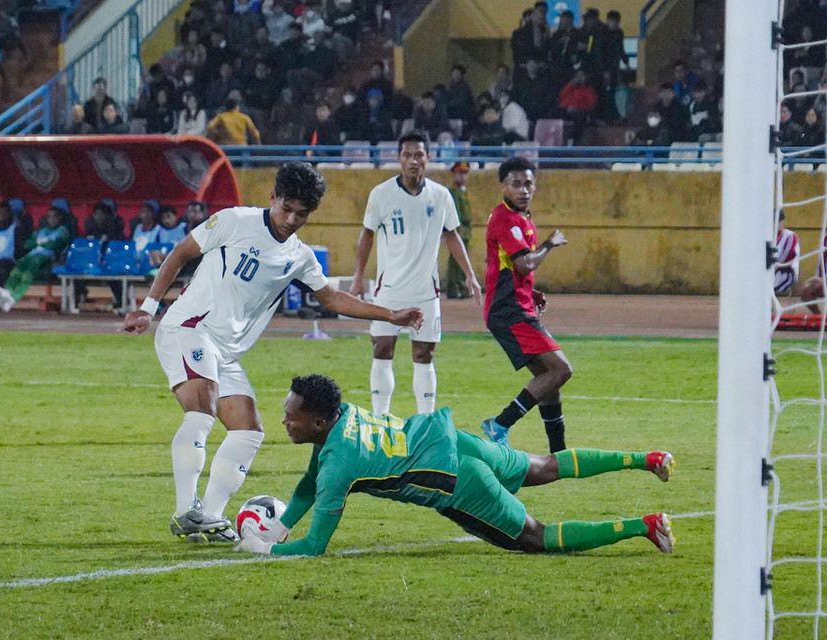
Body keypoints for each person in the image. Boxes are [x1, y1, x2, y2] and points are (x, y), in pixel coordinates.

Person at [120, 162, 424, 542]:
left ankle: (211, 518)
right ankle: (186, 511)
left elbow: (331, 297)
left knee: (248, 431)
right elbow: (181, 253)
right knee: (203, 409)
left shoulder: (299, 256)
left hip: (225, 352)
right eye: (287, 208)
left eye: (302, 213)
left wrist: (390, 314)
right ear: (272, 199)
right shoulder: (235, 221)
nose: (292, 219)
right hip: (190, 329)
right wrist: (148, 309)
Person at [233, 373, 676, 557]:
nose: (284, 421)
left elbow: (314, 549)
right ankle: (647, 458)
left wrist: (266, 547)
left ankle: (645, 525)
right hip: (456, 439)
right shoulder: (341, 417)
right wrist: (281, 523)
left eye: (291, 416)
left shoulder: (339, 467)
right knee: (543, 466)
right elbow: (308, 484)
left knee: (535, 539)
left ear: (316, 421)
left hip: (457, 482)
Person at [349, 130, 482, 416]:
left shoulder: (441, 195)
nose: (413, 161)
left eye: (418, 155)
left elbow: (452, 235)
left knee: (424, 355)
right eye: (407, 155)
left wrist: (470, 274)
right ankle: (380, 418)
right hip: (389, 291)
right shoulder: (382, 194)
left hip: (425, 292)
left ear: (428, 158)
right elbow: (366, 236)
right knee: (382, 350)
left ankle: (425, 420)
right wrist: (358, 277)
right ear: (398, 159)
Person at [481, 157, 571, 453]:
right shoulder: (505, 219)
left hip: (516, 305)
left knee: (548, 379)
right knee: (560, 370)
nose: (523, 190)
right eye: (516, 184)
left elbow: (504, 267)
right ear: (503, 186)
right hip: (509, 312)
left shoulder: (521, 219)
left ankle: (558, 455)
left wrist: (531, 292)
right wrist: (549, 243)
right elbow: (522, 264)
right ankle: (500, 423)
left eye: (528, 184)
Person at [0, 205, 73, 312]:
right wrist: (42, 243)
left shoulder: (63, 231)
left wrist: (39, 243)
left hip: (47, 258)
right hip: (31, 256)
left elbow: (55, 244)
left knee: (27, 275)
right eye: (49, 217)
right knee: (16, 270)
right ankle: (7, 291)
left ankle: (14, 297)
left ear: (60, 218)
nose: (52, 219)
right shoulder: (42, 231)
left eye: (55, 217)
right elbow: (28, 244)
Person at [0, 199, 29, 287]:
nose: (1, 215)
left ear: (9, 213)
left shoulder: (16, 229)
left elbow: (20, 247)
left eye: (4, 212)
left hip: (9, 260)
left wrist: (16, 258)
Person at [446, 161, 473, 299]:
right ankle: (453, 287)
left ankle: (461, 286)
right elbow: (454, 213)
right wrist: (457, 230)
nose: (463, 177)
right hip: (459, 229)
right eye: (460, 173)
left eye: (465, 173)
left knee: (463, 259)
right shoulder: (453, 193)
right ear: (454, 175)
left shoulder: (462, 191)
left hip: (466, 229)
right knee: (455, 260)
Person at [774, 211, 800, 295]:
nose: (776, 224)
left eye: (779, 221)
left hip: (786, 272)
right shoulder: (767, 235)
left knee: (766, 288)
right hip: (771, 270)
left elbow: (785, 259)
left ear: (783, 222)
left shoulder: (790, 236)